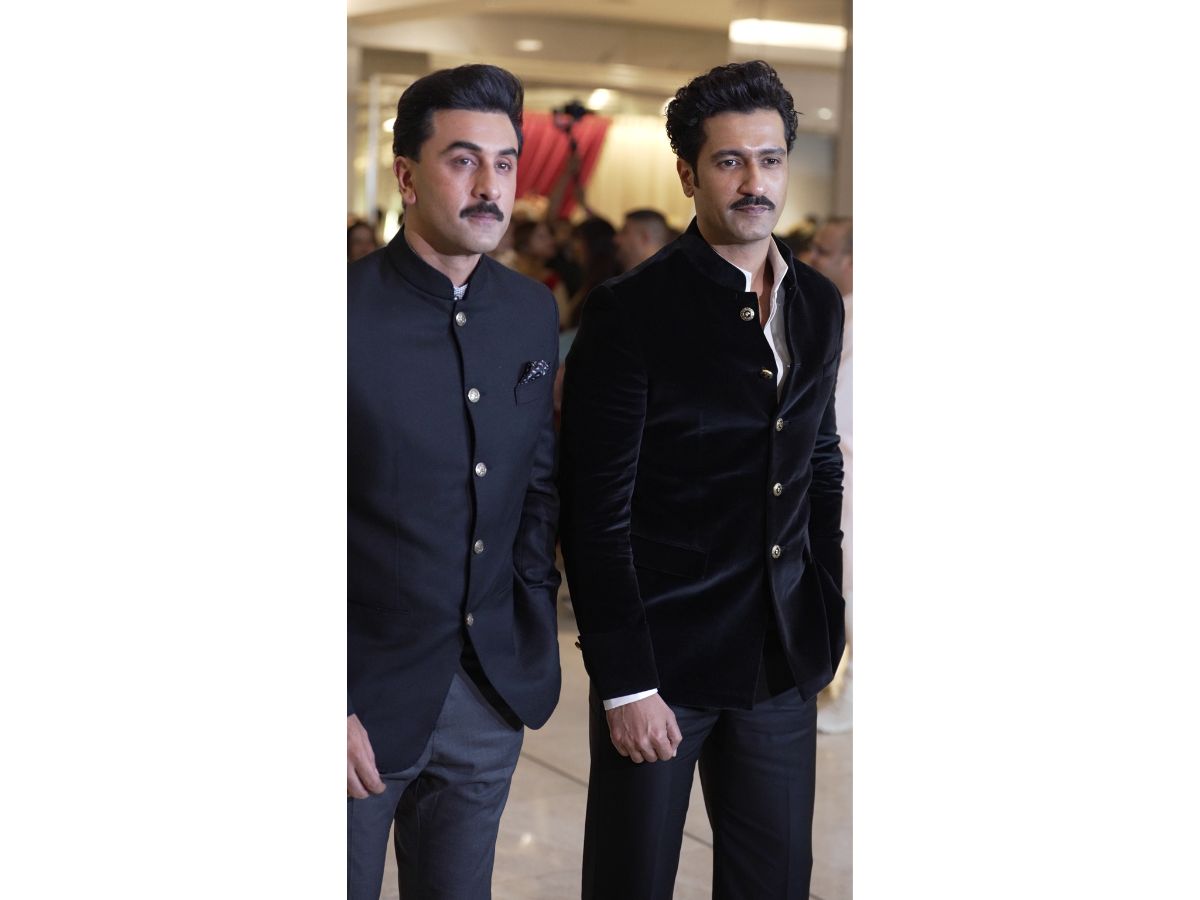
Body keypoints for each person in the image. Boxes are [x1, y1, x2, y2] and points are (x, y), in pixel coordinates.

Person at [558, 60, 846, 900]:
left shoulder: (818, 302)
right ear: (688, 174)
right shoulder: (631, 311)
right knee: (632, 882)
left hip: (781, 661)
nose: (755, 182)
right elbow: (595, 514)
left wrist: (825, 609)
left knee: (776, 881)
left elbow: (819, 460)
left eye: (770, 159)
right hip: (664, 666)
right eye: (729, 161)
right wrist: (626, 682)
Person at [347, 64, 562, 900]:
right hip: (359, 698)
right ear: (406, 176)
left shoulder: (531, 309)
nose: (488, 187)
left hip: (489, 692)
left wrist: (530, 616)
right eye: (463, 160)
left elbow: (537, 487)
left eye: (504, 164)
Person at [810, 216, 853, 734]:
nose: (813, 259)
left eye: (824, 251)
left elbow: (834, 410)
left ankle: (851, 692)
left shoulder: (850, 319)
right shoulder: (830, 309)